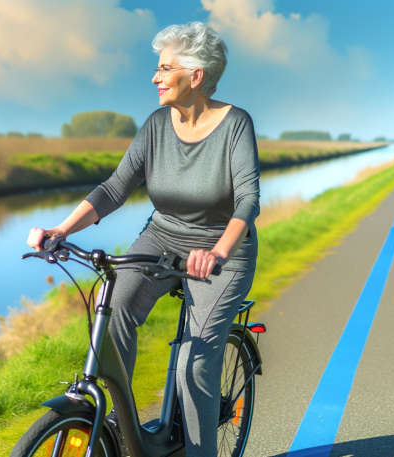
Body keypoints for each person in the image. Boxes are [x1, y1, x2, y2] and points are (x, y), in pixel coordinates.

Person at [26, 21, 259, 456]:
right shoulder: (156, 125)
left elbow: (248, 200)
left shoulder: (235, 125)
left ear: (196, 76)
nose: (154, 77)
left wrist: (218, 252)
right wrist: (61, 229)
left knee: (194, 364)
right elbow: (115, 188)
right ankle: (122, 427)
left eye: (164, 68)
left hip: (221, 252)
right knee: (111, 316)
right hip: (161, 237)